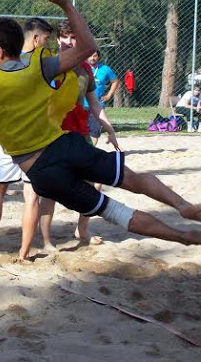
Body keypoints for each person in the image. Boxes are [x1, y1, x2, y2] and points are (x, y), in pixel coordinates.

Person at [0, 0, 201, 249]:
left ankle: (186, 237)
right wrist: (66, 6)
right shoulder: (40, 66)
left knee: (114, 211)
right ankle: (183, 206)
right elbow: (88, 48)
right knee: (131, 178)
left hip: (41, 169)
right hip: (66, 145)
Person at [40, 20, 121, 250]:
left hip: (80, 132)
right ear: (58, 39)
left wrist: (110, 130)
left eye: (75, 38)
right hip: (52, 134)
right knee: (50, 188)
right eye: (66, 37)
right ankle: (46, 241)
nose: (70, 42)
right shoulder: (48, 65)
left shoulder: (86, 69)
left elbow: (95, 103)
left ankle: (82, 229)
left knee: (95, 182)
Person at [0, 18, 55, 259]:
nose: (47, 43)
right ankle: (23, 253)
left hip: (10, 139)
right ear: (35, 39)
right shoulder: (40, 64)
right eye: (45, 39)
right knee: (30, 195)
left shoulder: (0, 67)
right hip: (33, 140)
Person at [84, 49, 119, 144]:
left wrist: (109, 95)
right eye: (90, 56)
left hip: (97, 105)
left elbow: (115, 81)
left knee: (94, 131)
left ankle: (90, 152)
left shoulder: (105, 69)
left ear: (98, 57)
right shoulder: (81, 68)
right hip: (82, 104)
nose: (92, 58)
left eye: (95, 56)